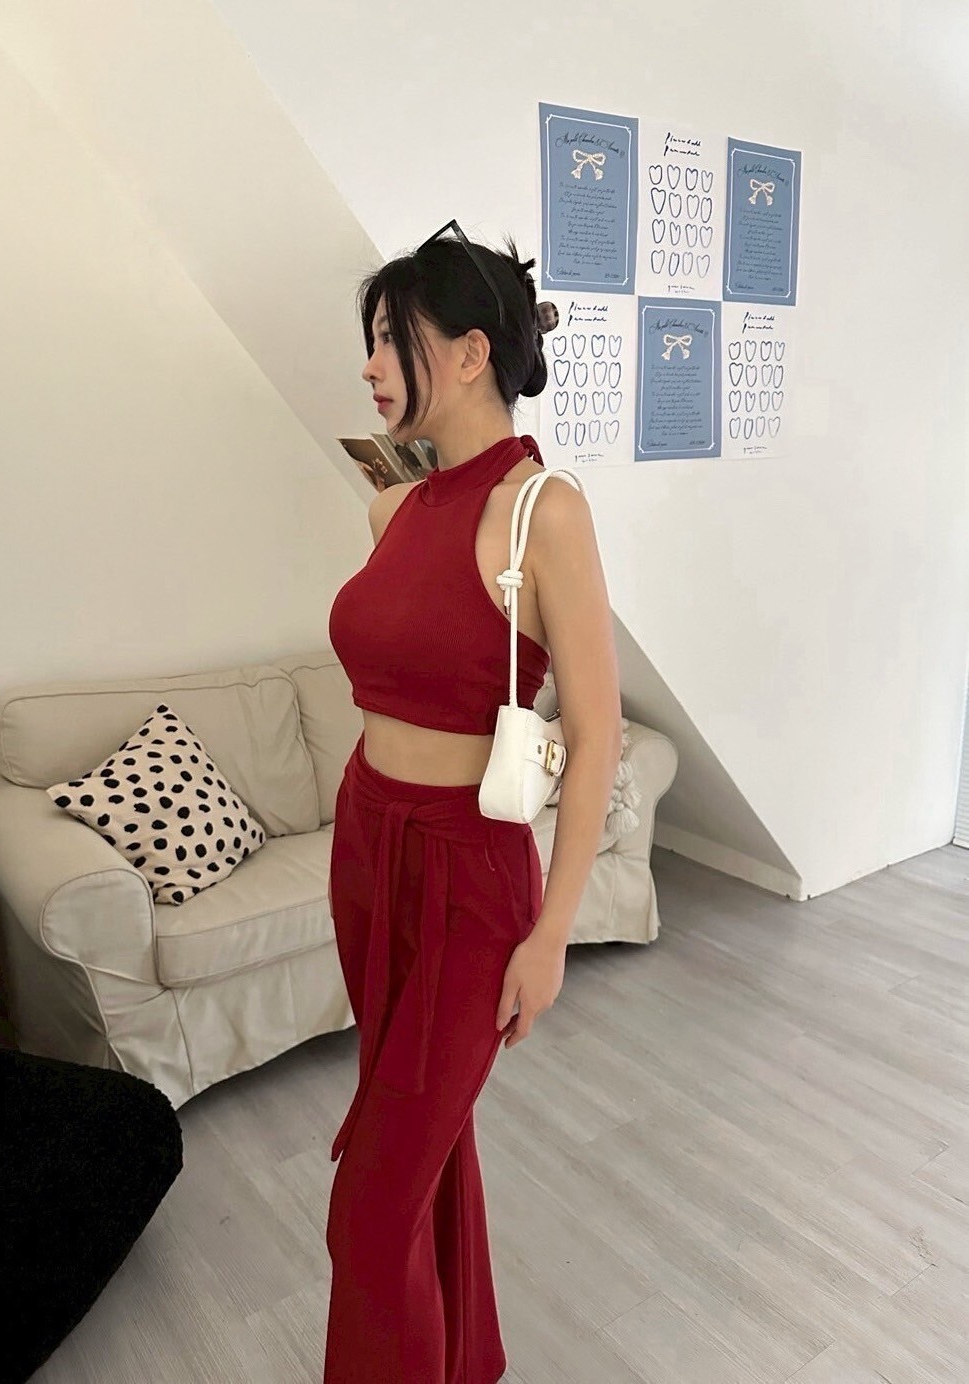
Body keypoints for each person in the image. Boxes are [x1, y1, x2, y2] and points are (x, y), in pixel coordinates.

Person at [324, 223, 623, 1382]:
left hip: (468, 878)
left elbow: (594, 736)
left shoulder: (546, 510)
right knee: (423, 1150)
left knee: (367, 1210)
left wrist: (552, 935)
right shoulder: (389, 511)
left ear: (466, 352)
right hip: (367, 842)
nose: (367, 365)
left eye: (388, 339)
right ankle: (463, 1357)